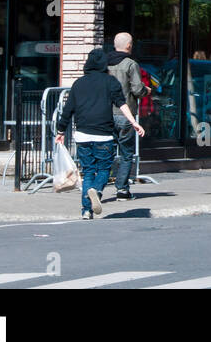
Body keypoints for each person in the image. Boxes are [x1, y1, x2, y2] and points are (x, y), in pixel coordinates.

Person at [56, 48, 145, 220]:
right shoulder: (110, 82)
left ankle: (86, 210)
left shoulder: (78, 84)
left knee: (88, 171)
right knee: (104, 169)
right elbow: (122, 104)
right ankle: (96, 190)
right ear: (104, 64)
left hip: (82, 134)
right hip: (103, 134)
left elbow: (67, 110)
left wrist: (60, 131)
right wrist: (134, 122)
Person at [105, 32, 149, 200]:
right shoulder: (130, 64)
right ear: (129, 46)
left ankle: (98, 187)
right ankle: (122, 189)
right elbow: (137, 89)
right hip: (126, 114)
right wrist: (147, 90)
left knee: (105, 152)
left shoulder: (104, 63)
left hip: (106, 114)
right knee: (126, 153)